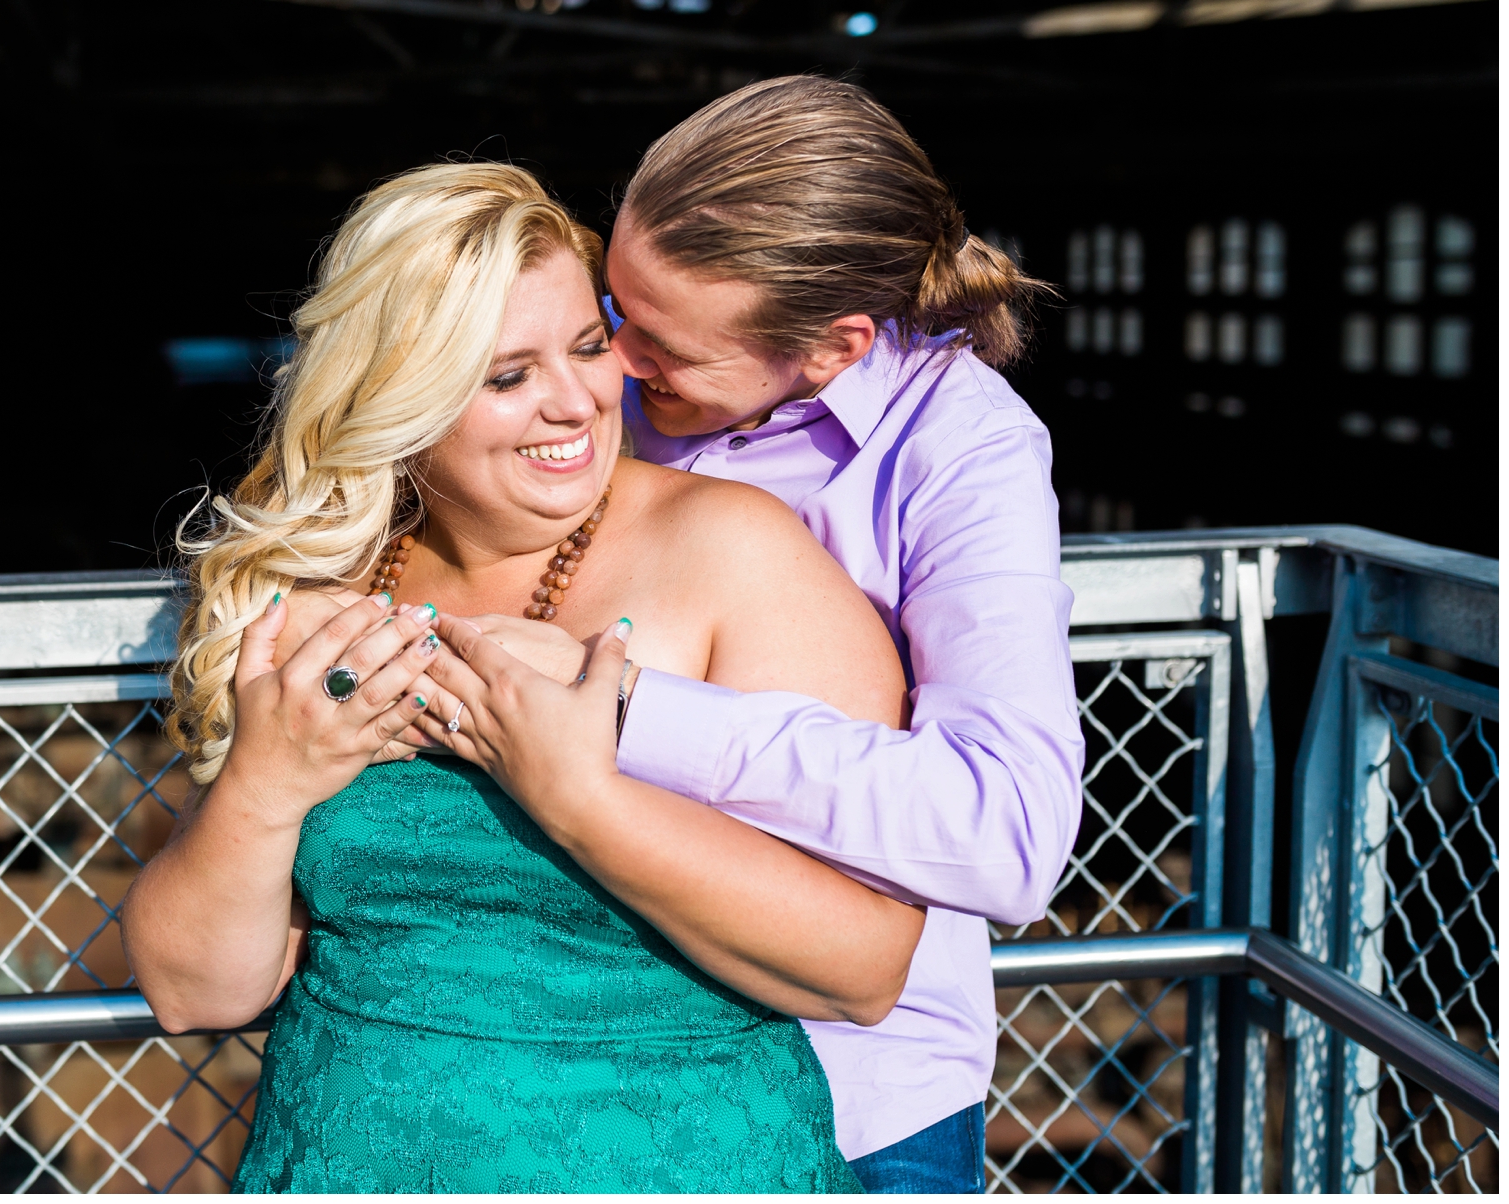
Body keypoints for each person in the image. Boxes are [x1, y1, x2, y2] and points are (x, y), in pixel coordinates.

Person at [119, 161, 924, 1193]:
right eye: (507, 376)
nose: (575, 401)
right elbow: (195, 991)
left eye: (587, 345)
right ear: (396, 398)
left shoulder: (734, 556)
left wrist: (576, 797)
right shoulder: (318, 589)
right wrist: (265, 783)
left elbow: (863, 966)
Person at [418, 76, 1087, 1194]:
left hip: (845, 1083)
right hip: (579, 1047)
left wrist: (625, 709)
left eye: (658, 346)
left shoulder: (963, 450)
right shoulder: (612, 393)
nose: (613, 370)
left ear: (831, 346)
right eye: (609, 316)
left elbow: (1006, 831)